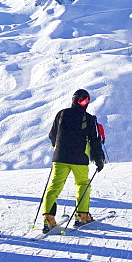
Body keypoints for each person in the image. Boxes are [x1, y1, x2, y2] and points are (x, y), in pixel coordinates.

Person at [41, 88, 106, 232]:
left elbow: (52, 135)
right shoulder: (89, 119)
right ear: (76, 100)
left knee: (54, 186)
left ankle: (48, 218)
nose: (83, 103)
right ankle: (82, 215)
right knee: (82, 184)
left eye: (85, 100)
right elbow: (95, 141)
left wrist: (57, 149)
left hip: (60, 157)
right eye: (83, 100)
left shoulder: (61, 114)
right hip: (80, 158)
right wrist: (99, 159)